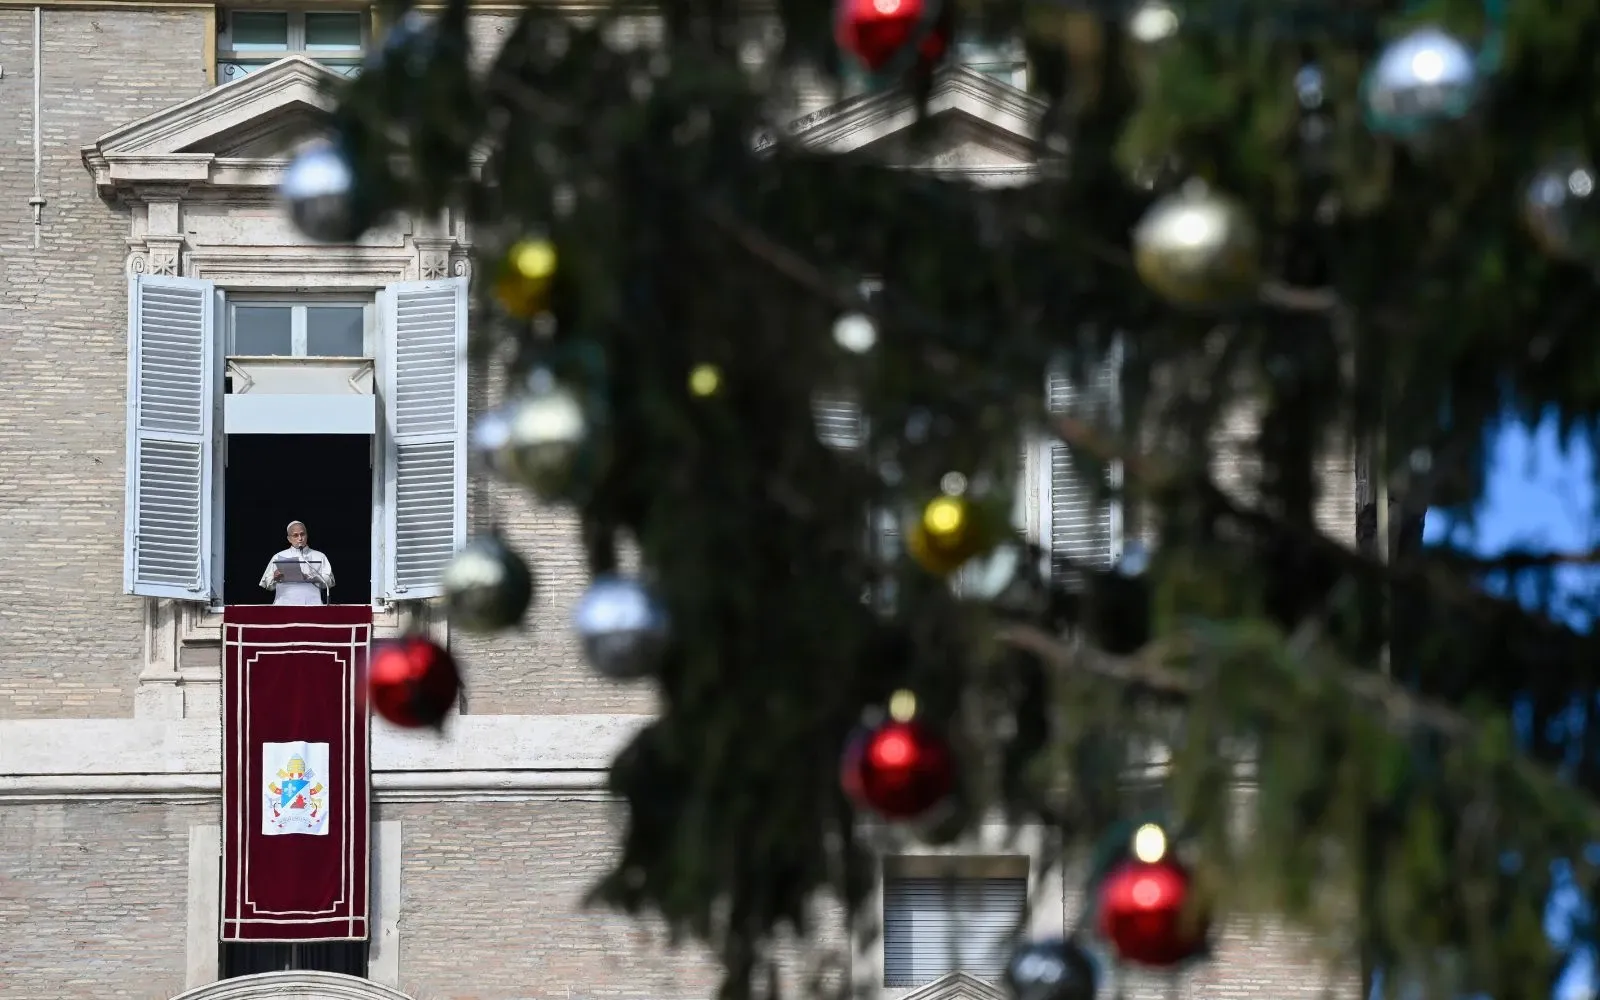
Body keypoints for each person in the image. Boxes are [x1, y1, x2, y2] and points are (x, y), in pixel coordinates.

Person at [259, 521, 335, 606]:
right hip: (284, 605)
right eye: (295, 535)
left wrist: (313, 577)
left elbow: (330, 582)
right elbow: (267, 585)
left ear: (307, 535)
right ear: (289, 539)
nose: (300, 538)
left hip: (313, 605)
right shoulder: (278, 556)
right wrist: (274, 577)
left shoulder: (320, 556)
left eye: (302, 534)